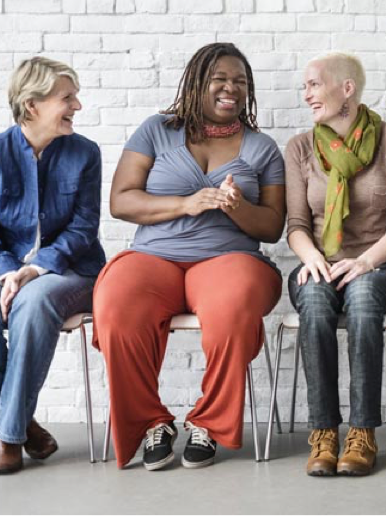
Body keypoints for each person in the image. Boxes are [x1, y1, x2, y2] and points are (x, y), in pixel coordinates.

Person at [93, 43, 285, 470]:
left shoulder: (263, 148)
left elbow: (272, 227)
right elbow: (121, 201)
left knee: (233, 307)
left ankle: (209, 424)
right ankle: (150, 424)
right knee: (116, 306)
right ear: (197, 82)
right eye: (220, 78)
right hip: (154, 256)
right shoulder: (155, 130)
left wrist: (238, 208)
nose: (230, 88)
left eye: (240, 81)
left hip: (229, 257)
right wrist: (185, 203)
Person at [0, 57, 104, 474]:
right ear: (31, 106)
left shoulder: (85, 154)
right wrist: (9, 271)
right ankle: (22, 421)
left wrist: (35, 269)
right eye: (67, 98)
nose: (77, 106)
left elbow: (83, 229)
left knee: (33, 302)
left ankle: (8, 437)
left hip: (68, 271)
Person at [286, 53, 386, 477]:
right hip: (321, 263)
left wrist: (363, 262)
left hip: (384, 266)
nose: (306, 95)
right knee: (316, 300)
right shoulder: (300, 148)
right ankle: (323, 433)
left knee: (362, 295)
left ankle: (362, 432)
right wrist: (312, 260)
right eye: (304, 87)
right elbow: (297, 226)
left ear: (346, 89)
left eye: (313, 85)